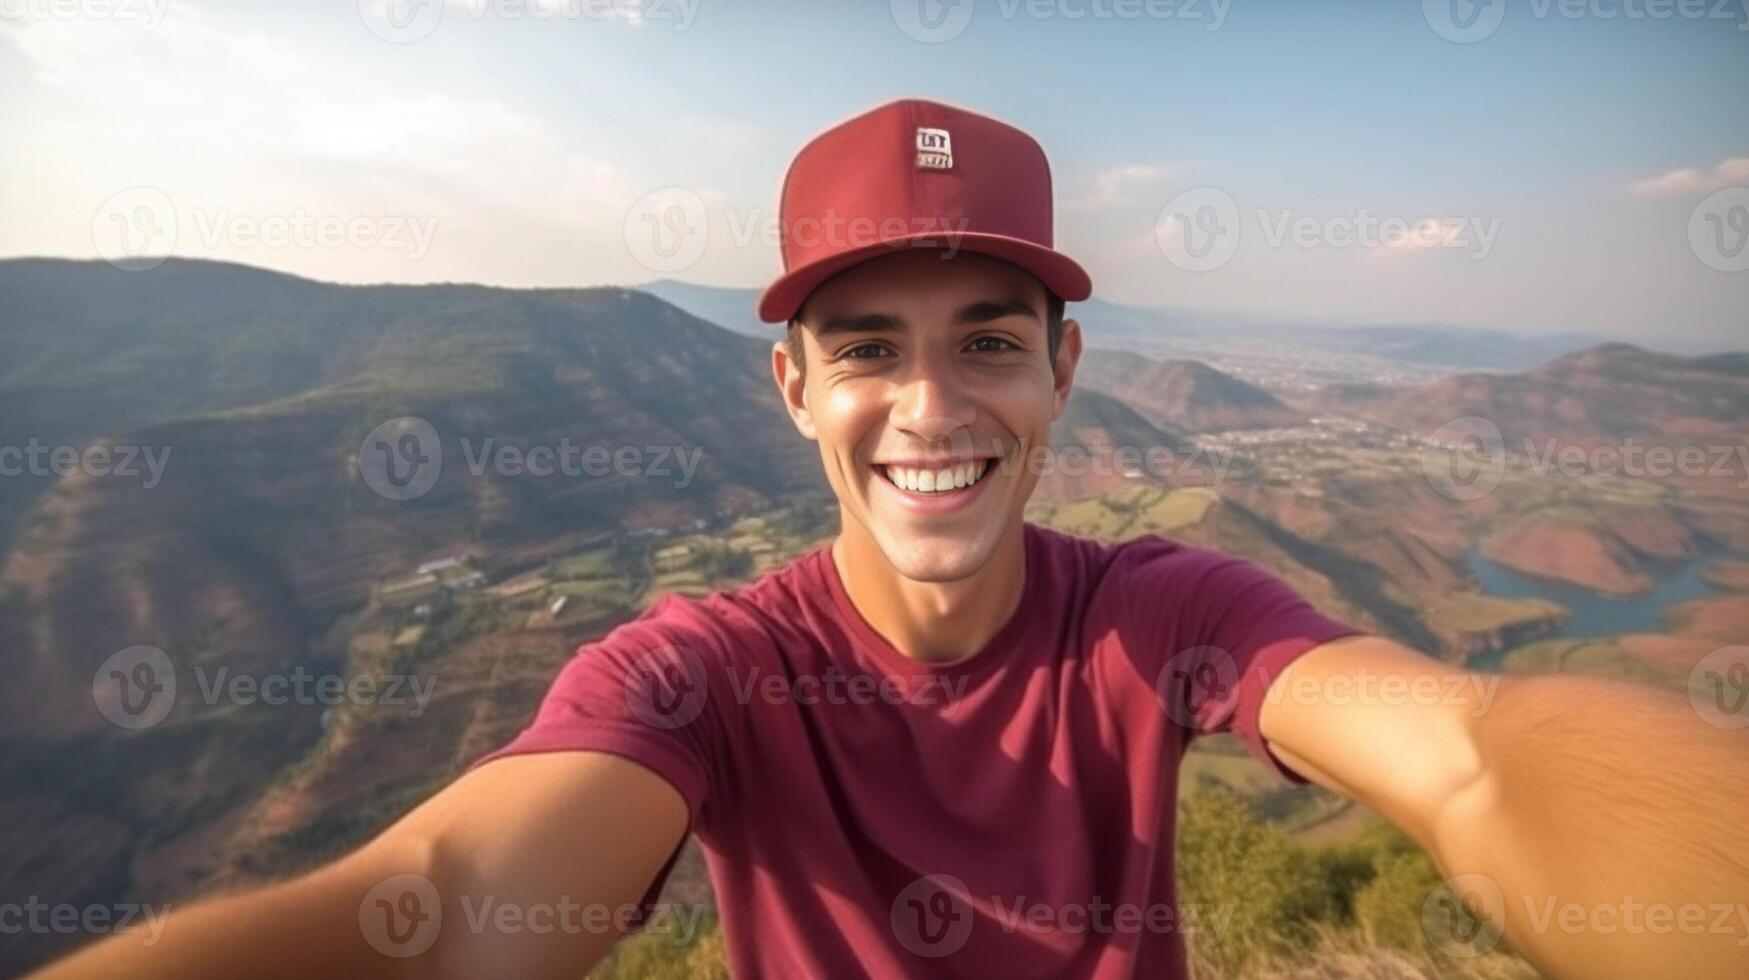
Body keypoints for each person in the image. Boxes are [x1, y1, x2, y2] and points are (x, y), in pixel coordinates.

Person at [38, 99, 1749, 980]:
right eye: (868, 346)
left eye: (987, 340)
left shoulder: (1166, 613)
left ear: (1062, 373)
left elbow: (1467, 758)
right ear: (789, 385)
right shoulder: (698, 670)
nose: (930, 405)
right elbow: (437, 904)